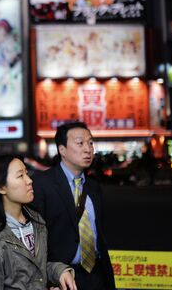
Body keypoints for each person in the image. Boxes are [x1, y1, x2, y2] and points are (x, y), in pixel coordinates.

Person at [32, 122, 116, 290]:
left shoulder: (93, 187)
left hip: (97, 274)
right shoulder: (42, 185)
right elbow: (36, 241)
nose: (88, 149)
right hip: (62, 278)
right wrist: (48, 280)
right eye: (80, 143)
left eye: (90, 143)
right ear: (62, 150)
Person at [0, 155, 76, 290]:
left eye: (26, 173)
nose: (29, 180)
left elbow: (36, 269)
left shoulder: (36, 220)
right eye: (20, 176)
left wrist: (59, 271)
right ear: (2, 187)